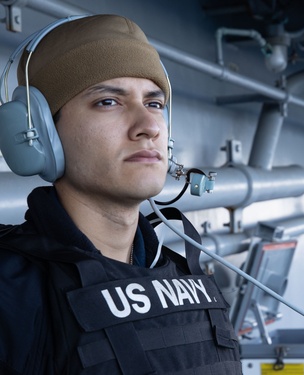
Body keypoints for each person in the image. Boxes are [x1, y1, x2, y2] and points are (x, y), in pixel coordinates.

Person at [0, 14, 242, 374]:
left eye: (154, 104)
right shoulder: (10, 292)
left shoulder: (183, 275)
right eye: (108, 102)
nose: (148, 127)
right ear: (40, 135)